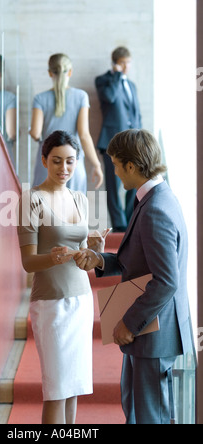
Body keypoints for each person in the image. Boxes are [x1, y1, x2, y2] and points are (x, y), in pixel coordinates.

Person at [74, 129, 194, 424]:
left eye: (116, 164)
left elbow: (166, 280)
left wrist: (129, 323)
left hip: (153, 333)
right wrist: (100, 258)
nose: (114, 172)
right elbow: (141, 261)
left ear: (132, 166)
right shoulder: (156, 198)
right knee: (140, 412)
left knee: (148, 417)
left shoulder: (154, 208)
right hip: (153, 332)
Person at [17, 130, 108, 424]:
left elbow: (82, 259)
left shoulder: (80, 199)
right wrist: (52, 257)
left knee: (73, 390)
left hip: (81, 300)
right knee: (56, 390)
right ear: (44, 160)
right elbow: (29, 263)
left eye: (70, 162)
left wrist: (95, 252)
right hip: (51, 305)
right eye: (57, 161)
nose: (64, 169)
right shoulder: (31, 200)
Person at [30, 54, 103, 194]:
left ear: (50, 73)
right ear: (70, 72)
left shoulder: (39, 99)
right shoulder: (81, 96)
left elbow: (35, 133)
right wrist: (96, 164)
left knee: (42, 209)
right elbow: (84, 135)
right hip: (71, 161)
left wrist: (32, 132)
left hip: (47, 161)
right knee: (74, 210)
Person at [95, 47, 142, 232]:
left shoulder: (132, 86)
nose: (126, 66)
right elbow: (110, 97)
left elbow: (137, 114)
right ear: (115, 63)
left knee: (134, 182)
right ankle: (119, 224)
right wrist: (116, 75)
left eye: (128, 62)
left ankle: (130, 220)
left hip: (132, 143)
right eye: (123, 62)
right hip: (111, 141)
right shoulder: (104, 81)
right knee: (113, 185)